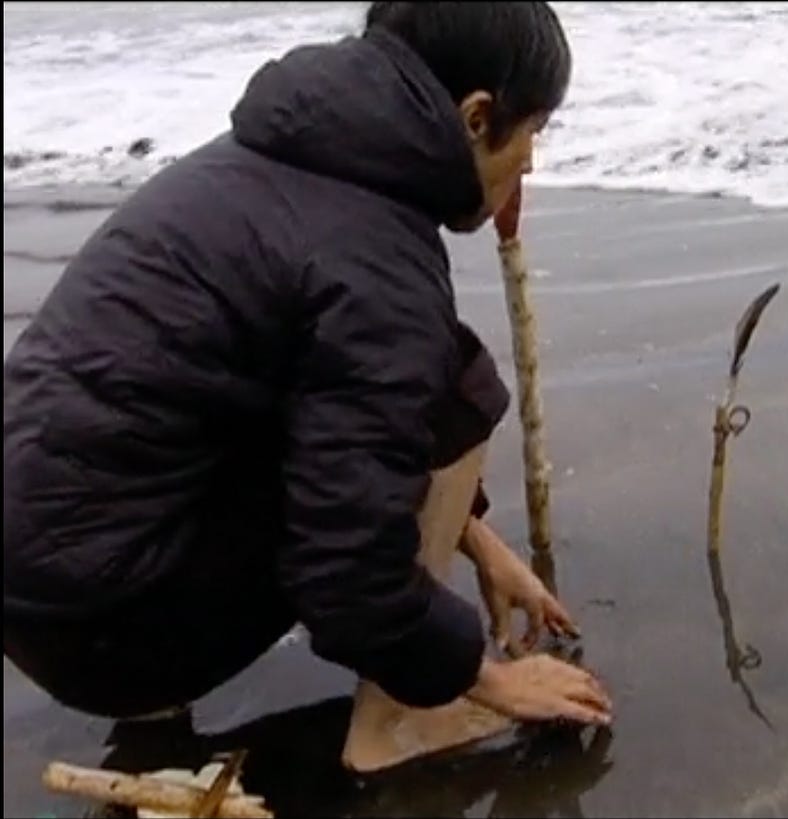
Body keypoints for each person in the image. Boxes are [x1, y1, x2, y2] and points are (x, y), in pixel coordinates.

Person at [2, 1, 612, 773]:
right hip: (112, 631)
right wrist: (482, 676)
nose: (529, 162)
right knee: (459, 389)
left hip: (43, 591)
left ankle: (157, 696)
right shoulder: (376, 263)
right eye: (533, 131)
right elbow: (347, 572)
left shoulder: (266, 160)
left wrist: (480, 542)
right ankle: (393, 724)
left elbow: (319, 409)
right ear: (476, 117)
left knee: (353, 390)